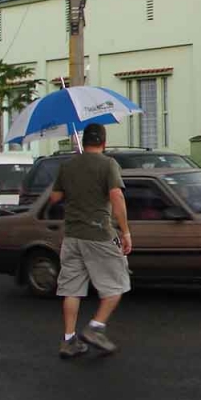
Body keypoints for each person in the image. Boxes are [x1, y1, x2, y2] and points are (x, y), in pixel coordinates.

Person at [49, 122, 133, 359]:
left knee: (72, 290)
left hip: (72, 236)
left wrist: (71, 181)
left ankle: (68, 341)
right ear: (104, 142)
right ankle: (96, 327)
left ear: (84, 142)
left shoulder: (67, 166)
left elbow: (55, 197)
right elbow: (116, 196)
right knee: (118, 284)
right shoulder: (108, 164)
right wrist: (125, 231)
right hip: (99, 235)